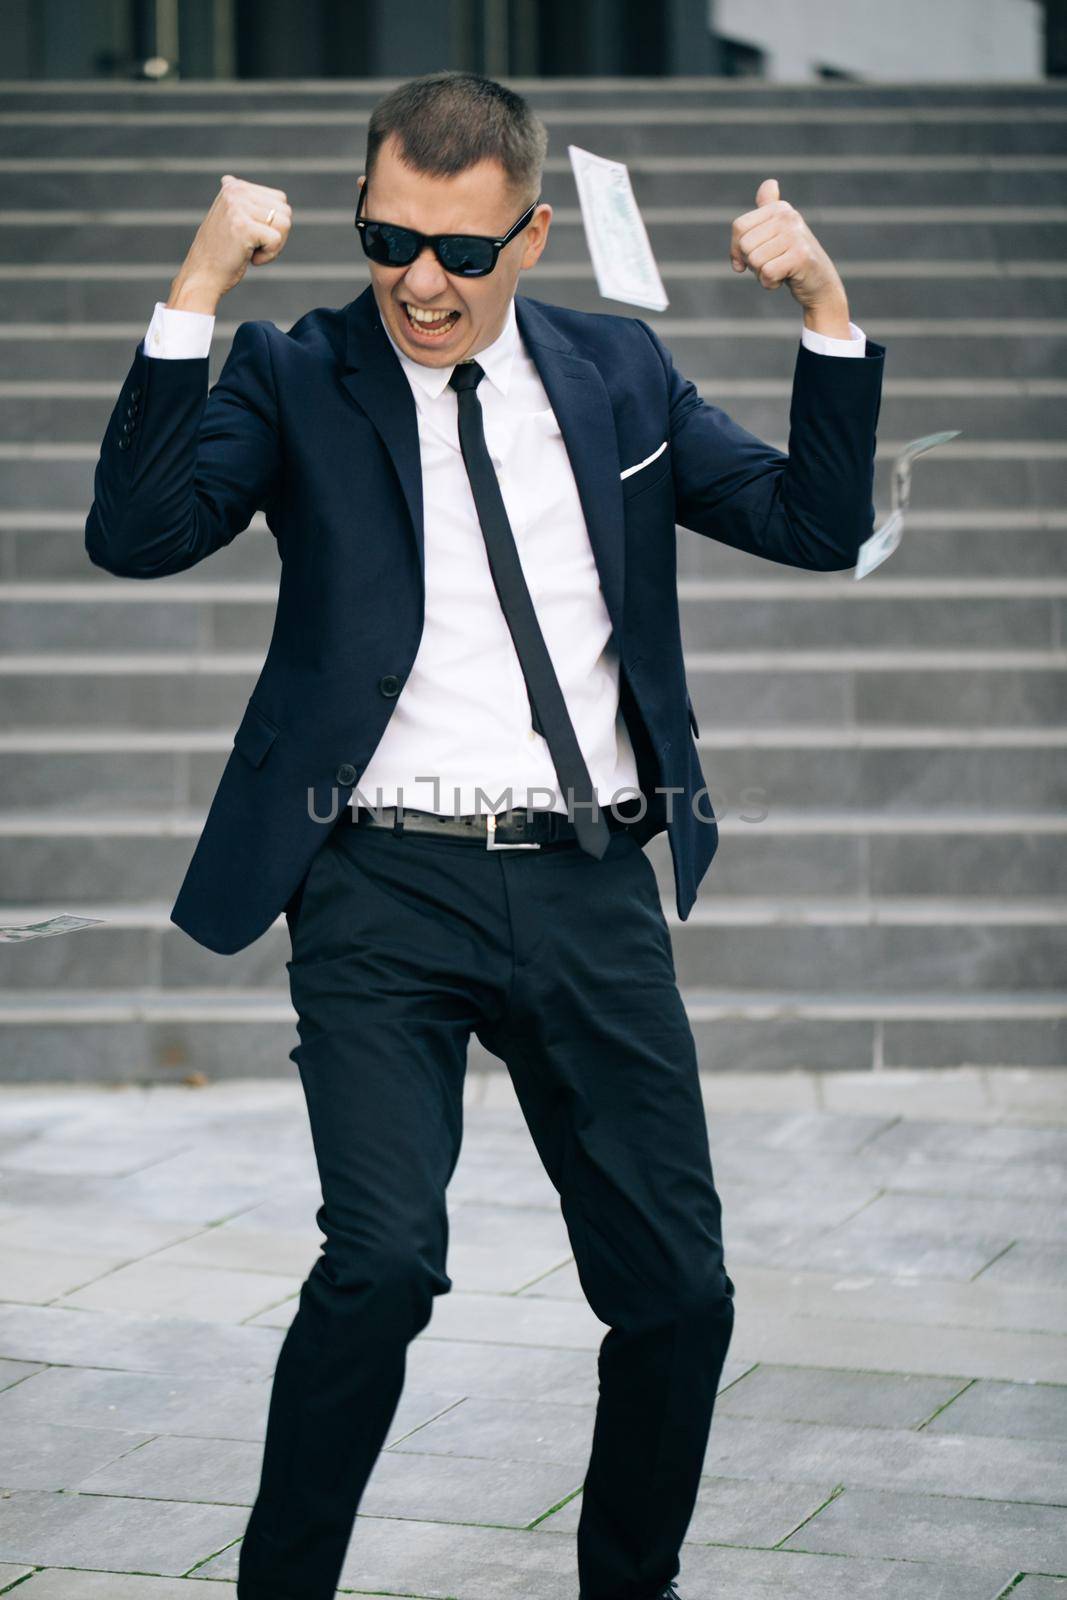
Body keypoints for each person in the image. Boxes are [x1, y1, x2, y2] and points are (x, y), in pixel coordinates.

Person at [85, 70, 884, 1600]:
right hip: (381, 883)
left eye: (458, 250)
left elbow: (816, 525)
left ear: (530, 235)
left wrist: (825, 311)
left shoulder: (618, 375)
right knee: (382, 1266)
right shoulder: (295, 367)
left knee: (680, 1297)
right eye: (389, 241)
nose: (421, 282)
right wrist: (194, 286)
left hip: (585, 882)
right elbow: (135, 535)